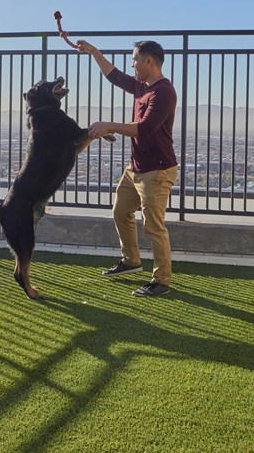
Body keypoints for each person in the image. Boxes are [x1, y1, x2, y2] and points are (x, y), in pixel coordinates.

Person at [76, 38, 178, 297]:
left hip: (156, 170)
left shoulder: (163, 91)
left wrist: (109, 126)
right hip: (136, 168)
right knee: (121, 211)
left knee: (153, 226)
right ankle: (131, 261)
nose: (132, 64)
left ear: (148, 61)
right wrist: (94, 52)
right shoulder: (142, 87)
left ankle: (162, 281)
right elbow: (115, 76)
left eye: (134, 59)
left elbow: (144, 129)